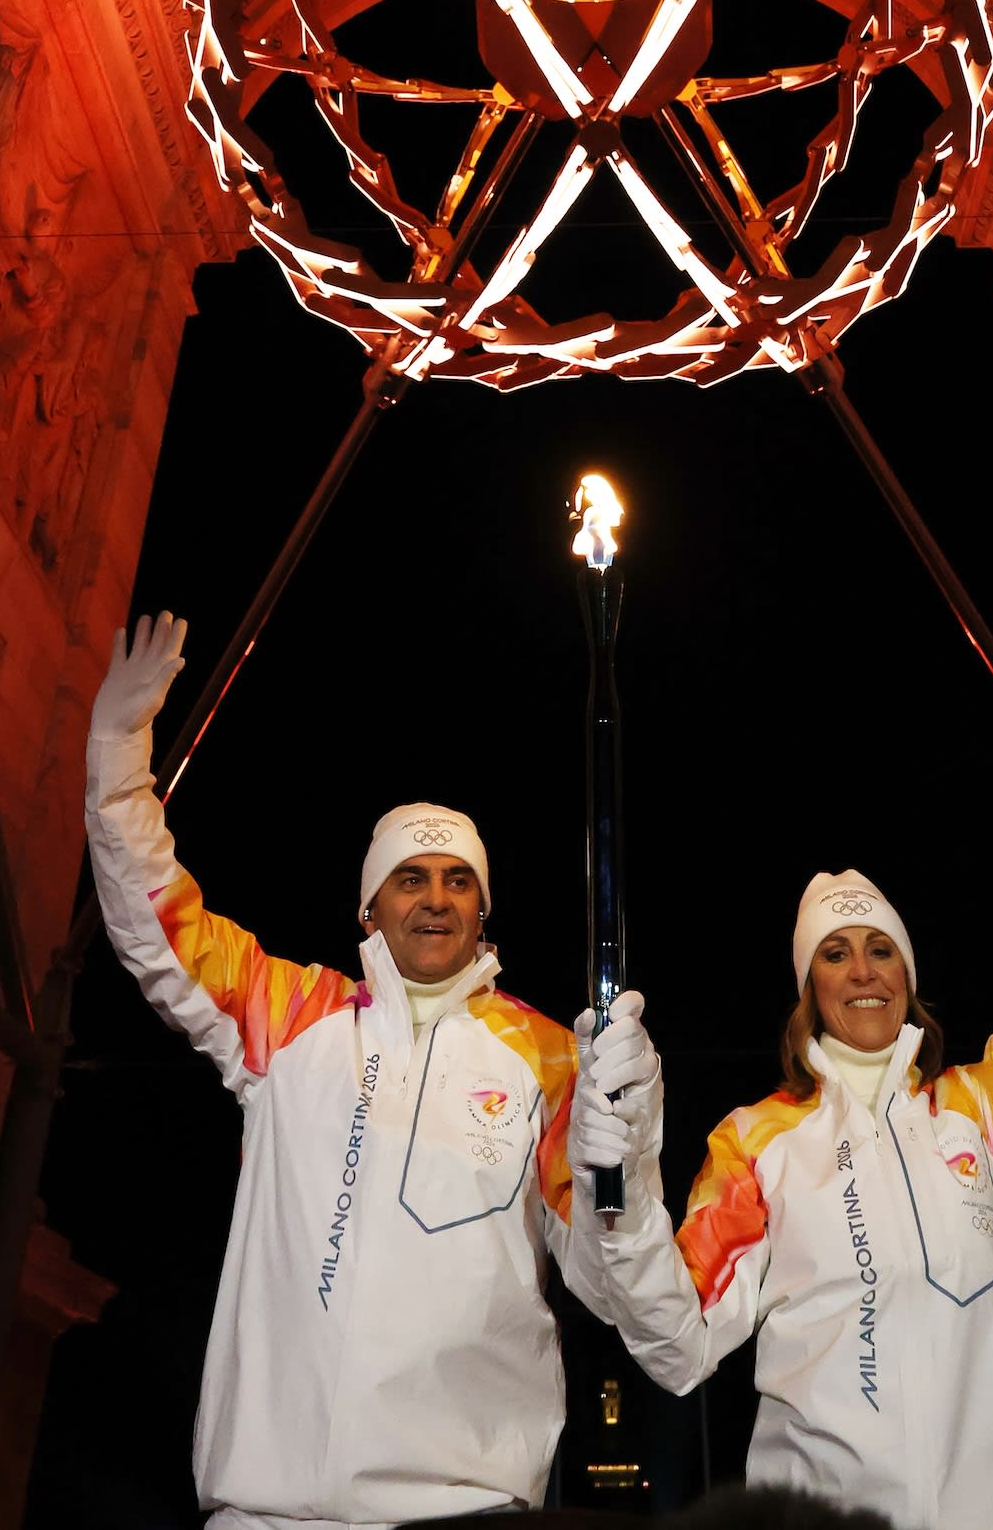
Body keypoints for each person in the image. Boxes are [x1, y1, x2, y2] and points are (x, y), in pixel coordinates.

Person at [86, 611, 660, 1529]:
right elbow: (155, 922)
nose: (435, 899)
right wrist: (118, 758)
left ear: (482, 907)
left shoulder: (552, 1057)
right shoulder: (288, 1016)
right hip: (269, 1505)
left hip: (467, 1502)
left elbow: (604, 1272)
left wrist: (624, 1147)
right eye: (410, 878)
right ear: (368, 908)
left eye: (457, 880)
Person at [567, 685, 993, 1530]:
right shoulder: (756, 1143)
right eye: (835, 953)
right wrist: (623, 1181)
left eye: (879, 950)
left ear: (906, 977)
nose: (863, 970)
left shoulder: (982, 1110)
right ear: (808, 988)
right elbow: (678, 1338)